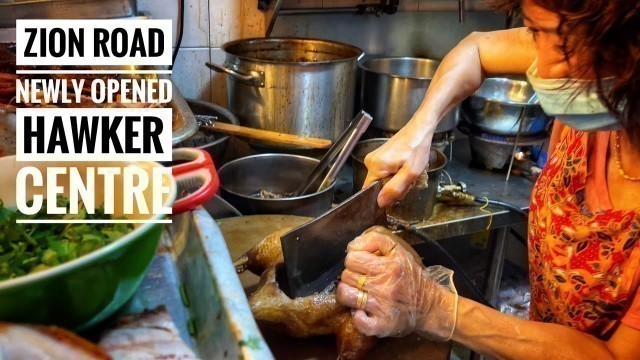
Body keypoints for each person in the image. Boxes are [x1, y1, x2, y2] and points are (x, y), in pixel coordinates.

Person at [336, 0, 640, 358]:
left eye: (557, 45)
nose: (537, 65)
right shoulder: (591, 60)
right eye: (535, 32)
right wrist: (419, 130)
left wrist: (433, 306)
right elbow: (476, 49)